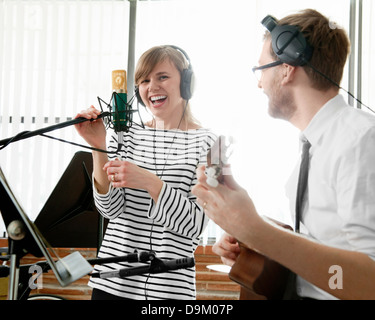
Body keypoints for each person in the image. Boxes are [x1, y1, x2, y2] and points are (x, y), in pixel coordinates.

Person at [192, 9, 375, 300]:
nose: (259, 83)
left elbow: (370, 282)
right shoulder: (314, 146)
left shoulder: (361, 140)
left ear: (287, 68)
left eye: (261, 68)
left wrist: (256, 231)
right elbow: (325, 255)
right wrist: (253, 239)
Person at [75, 45, 216, 300]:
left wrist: (151, 183)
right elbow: (110, 210)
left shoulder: (213, 144)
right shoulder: (126, 135)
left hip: (170, 290)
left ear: (186, 83)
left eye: (162, 77)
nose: (152, 87)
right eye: (144, 80)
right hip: (112, 283)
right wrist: (98, 146)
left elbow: (196, 225)